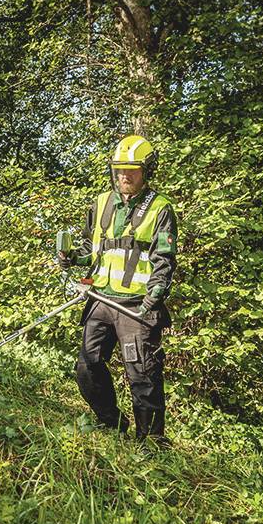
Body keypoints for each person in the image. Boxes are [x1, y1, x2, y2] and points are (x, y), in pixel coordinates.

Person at [58, 135, 177, 441]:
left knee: (143, 375)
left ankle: (151, 441)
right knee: (87, 365)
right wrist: (73, 257)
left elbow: (164, 258)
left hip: (137, 305)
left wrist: (156, 293)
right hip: (100, 297)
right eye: (119, 169)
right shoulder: (100, 204)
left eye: (132, 170)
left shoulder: (160, 208)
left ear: (147, 170)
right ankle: (113, 424)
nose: (124, 175)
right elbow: (91, 247)